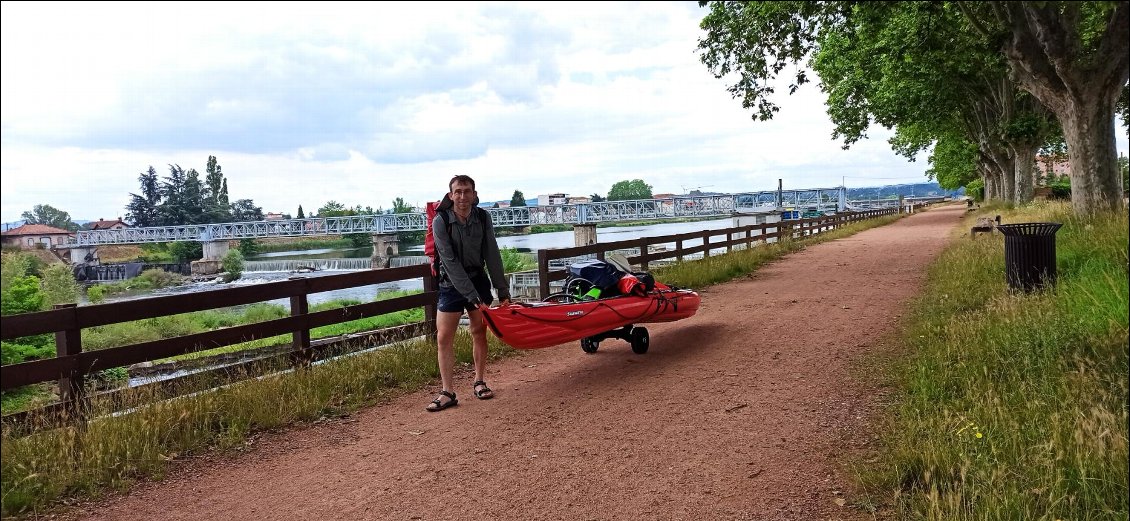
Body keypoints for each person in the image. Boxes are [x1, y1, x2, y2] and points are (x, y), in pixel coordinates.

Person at [426, 174, 511, 412]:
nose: (462, 196)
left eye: (467, 191)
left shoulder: (483, 217)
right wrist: (471, 295)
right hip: (450, 284)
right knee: (444, 337)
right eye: (458, 192)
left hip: (478, 278)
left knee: (479, 331)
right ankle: (447, 392)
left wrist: (502, 290)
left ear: (474, 195)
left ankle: (480, 381)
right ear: (451, 195)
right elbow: (449, 261)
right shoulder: (441, 220)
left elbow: (492, 253)